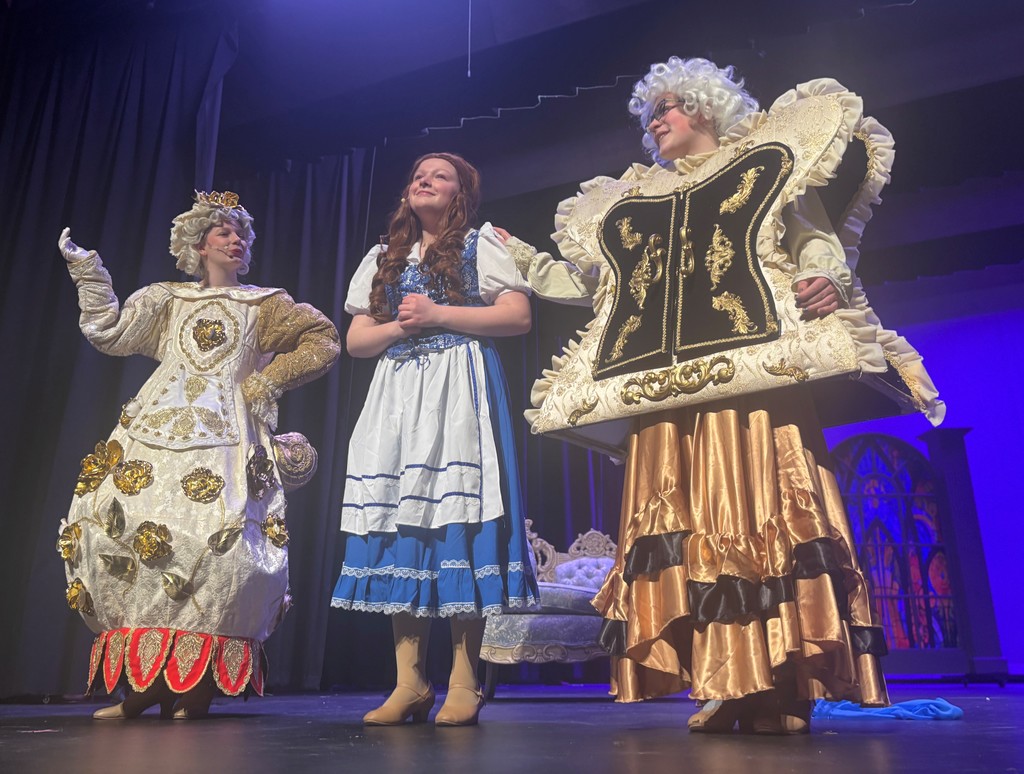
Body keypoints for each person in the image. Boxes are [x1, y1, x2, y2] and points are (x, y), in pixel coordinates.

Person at [519, 58, 943, 734]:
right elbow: (609, 289)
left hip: (755, 387)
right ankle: (729, 679)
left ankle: (784, 686)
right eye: (650, 112)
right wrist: (529, 266)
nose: (655, 120)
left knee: (759, 516)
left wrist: (826, 280)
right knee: (692, 530)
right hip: (670, 398)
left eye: (668, 106)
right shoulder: (642, 198)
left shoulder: (766, 168)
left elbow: (814, 243)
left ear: (706, 108)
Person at [58, 192, 340, 719]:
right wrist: (90, 276)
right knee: (133, 535)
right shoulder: (168, 298)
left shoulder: (263, 302)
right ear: (198, 243)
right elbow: (109, 332)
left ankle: (199, 680)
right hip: (155, 429)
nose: (236, 242)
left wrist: (267, 382)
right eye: (224, 233)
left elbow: (322, 338)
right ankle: (147, 683)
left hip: (227, 435)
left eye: (242, 235)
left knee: (221, 545)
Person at [331, 152, 539, 727]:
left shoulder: (480, 244)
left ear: (460, 195)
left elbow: (516, 317)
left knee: (458, 519)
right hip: (398, 392)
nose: (424, 179)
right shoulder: (383, 256)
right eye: (418, 174)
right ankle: (409, 682)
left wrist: (438, 313)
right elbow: (356, 342)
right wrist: (403, 325)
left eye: (439, 175)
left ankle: (464, 682)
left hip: (460, 383)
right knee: (401, 524)